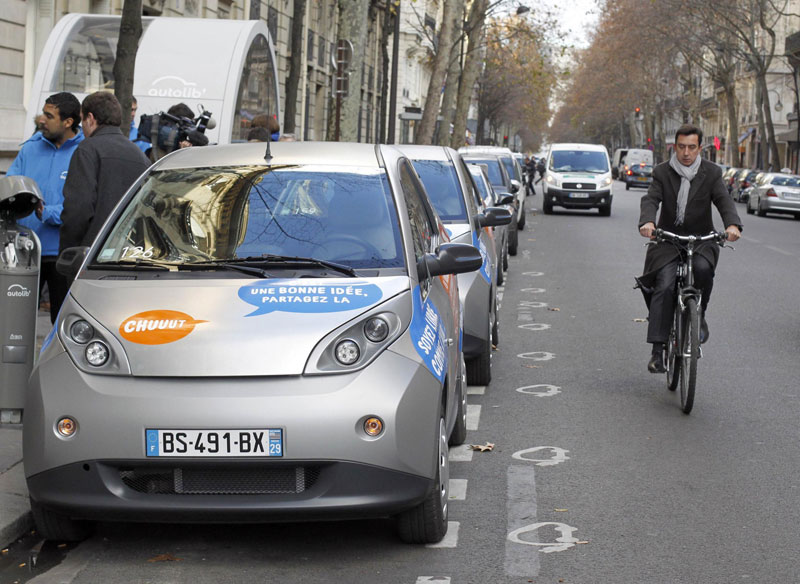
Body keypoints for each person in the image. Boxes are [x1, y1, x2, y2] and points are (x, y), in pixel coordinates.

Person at [637, 124, 742, 373]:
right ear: (675, 147)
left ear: (699, 148)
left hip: (702, 238)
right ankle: (658, 351)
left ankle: (699, 313)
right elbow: (651, 199)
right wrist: (648, 221)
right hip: (668, 239)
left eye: (691, 147)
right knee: (663, 283)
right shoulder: (663, 172)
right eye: (681, 147)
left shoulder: (712, 173)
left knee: (704, 269)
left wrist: (732, 225)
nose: (686, 153)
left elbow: (723, 200)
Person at [7, 92, 84, 323]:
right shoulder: (30, 148)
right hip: (25, 250)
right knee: (16, 322)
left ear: (68, 122)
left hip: (62, 254)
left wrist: (47, 213)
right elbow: (10, 186)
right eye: (43, 113)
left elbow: (82, 205)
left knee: (60, 322)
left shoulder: (84, 152)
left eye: (49, 116)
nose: (41, 119)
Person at [60, 91, 151, 254]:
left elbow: (79, 208)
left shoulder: (87, 149)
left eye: (82, 121)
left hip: (90, 256)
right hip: (129, 254)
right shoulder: (139, 155)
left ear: (90, 118)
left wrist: (68, 252)